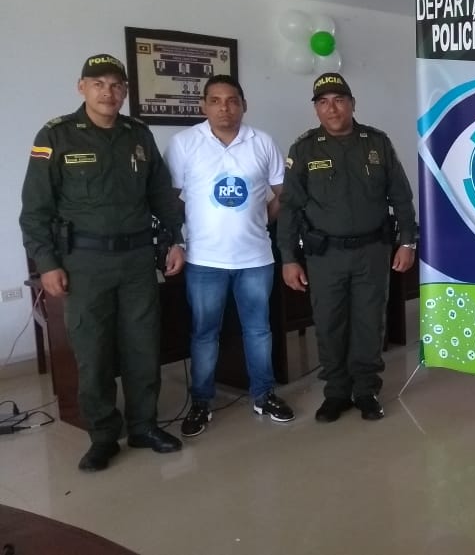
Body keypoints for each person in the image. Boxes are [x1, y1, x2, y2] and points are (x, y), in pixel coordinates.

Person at [19, 53, 186, 472]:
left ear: (125, 91)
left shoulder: (138, 135)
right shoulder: (56, 136)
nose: (108, 92)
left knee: (142, 345)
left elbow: (162, 195)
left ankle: (144, 425)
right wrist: (47, 262)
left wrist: (174, 240)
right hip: (84, 262)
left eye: (116, 85)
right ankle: (103, 435)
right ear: (82, 88)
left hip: (135, 260)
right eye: (99, 84)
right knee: (93, 352)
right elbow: (35, 209)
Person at [277, 73, 418, 422]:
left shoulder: (377, 143)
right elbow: (290, 208)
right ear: (316, 110)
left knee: (370, 323)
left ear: (352, 103)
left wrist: (407, 241)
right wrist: (288, 259)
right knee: (329, 323)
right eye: (323, 102)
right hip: (325, 256)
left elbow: (401, 197)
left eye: (339, 100)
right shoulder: (304, 148)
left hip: (373, 251)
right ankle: (336, 392)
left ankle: (367, 390)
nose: (332, 108)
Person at [164, 75, 295, 438]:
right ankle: (202, 401)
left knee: (259, 330)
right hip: (204, 260)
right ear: (203, 105)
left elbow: (282, 194)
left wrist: (258, 220)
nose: (225, 108)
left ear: (244, 104)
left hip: (256, 258)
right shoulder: (184, 143)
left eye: (233, 100)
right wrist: (175, 240)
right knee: (205, 333)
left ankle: (264, 394)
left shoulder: (262, 142)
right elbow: (171, 202)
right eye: (216, 100)